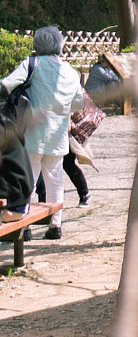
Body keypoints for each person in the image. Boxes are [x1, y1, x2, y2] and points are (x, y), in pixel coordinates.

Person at [1, 26, 85, 240]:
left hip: (33, 132)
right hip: (58, 135)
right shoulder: (70, 72)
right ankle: (55, 226)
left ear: (37, 44)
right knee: (55, 179)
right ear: (59, 45)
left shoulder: (33, 64)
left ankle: (24, 226)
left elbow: (6, 84)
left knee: (27, 179)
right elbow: (77, 104)